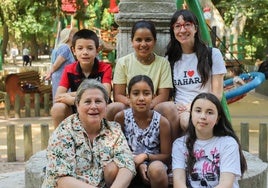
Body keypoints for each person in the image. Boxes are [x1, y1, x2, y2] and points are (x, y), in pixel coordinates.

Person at [42, 79, 136, 188]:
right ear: (77, 105)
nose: (93, 106)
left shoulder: (113, 130)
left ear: (106, 104)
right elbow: (61, 179)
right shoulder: (64, 132)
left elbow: (127, 164)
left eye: (98, 101)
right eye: (87, 102)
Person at [154, 9, 227, 141]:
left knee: (196, 120)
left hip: (206, 106)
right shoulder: (169, 59)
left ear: (196, 28)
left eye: (187, 24)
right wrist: (178, 107)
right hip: (181, 111)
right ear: (173, 31)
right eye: (177, 26)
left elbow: (217, 94)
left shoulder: (212, 55)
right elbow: (166, 92)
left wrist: (194, 106)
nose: (182, 30)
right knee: (185, 119)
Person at [172, 92, 247, 188]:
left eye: (209, 112)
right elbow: (178, 183)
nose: (203, 116)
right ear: (191, 114)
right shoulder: (179, 145)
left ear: (218, 119)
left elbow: (226, 184)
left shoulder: (228, 144)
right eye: (198, 111)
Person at [106, 20, 173, 121]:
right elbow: (118, 95)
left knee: (170, 108)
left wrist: (146, 105)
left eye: (148, 40)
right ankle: (112, 136)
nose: (143, 44)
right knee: (113, 108)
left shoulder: (163, 63)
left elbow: (164, 95)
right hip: (130, 106)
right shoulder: (123, 62)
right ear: (132, 41)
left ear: (154, 41)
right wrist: (133, 103)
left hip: (154, 107)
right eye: (138, 40)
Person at [114, 75, 172, 188]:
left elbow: (166, 156)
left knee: (157, 169)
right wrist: (136, 163)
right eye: (135, 94)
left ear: (153, 97)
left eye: (146, 93)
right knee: (111, 168)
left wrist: (145, 157)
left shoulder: (162, 122)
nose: (141, 98)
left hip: (152, 163)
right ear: (128, 97)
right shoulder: (121, 118)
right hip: (128, 162)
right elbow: (116, 149)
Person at [50, 29, 112, 128]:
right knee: (57, 108)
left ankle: (108, 137)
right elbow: (58, 96)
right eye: (80, 48)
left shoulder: (105, 68)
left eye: (90, 48)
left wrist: (73, 97)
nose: (85, 52)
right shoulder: (69, 69)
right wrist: (77, 101)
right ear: (74, 51)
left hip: (98, 106)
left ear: (97, 50)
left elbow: (105, 94)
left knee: (114, 107)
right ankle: (58, 140)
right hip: (76, 107)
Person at [45, 27, 78, 99]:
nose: (75, 36)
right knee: (62, 100)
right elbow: (56, 64)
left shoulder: (59, 47)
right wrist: (49, 73)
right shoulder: (65, 48)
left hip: (59, 78)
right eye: (73, 34)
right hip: (62, 79)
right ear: (68, 36)